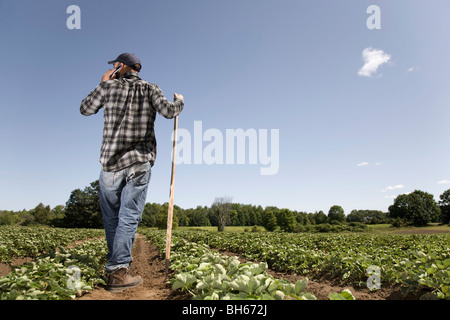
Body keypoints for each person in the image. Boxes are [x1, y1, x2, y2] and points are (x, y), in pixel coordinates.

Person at [80, 53, 184, 292]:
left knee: (112, 218)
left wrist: (104, 83)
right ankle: (118, 271)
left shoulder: (108, 87)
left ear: (121, 66)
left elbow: (85, 109)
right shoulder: (151, 88)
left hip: (110, 164)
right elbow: (170, 112)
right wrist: (180, 101)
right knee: (128, 217)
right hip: (139, 162)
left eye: (115, 65)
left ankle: (116, 269)